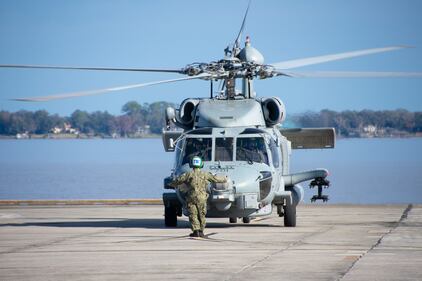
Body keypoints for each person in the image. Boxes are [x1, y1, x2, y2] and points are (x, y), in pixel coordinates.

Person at [169, 156, 227, 238]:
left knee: (193, 214)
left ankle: (196, 231)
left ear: (191, 164)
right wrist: (225, 179)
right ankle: (201, 231)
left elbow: (178, 180)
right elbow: (216, 179)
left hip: (191, 198)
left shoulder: (188, 174)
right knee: (201, 214)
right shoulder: (205, 174)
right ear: (201, 164)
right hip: (202, 198)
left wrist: (171, 183)